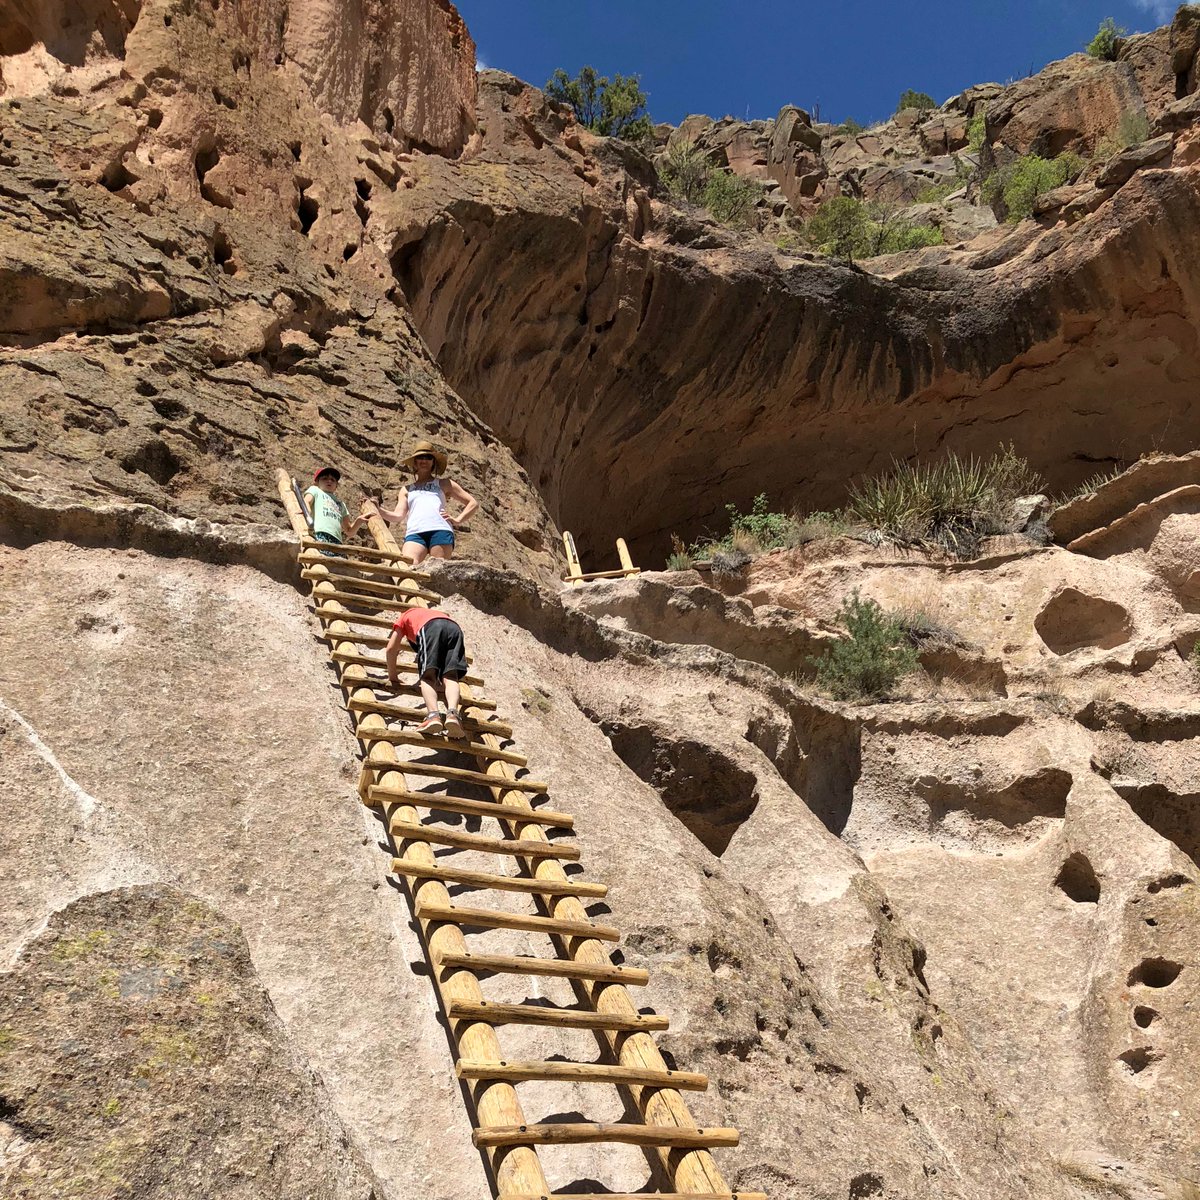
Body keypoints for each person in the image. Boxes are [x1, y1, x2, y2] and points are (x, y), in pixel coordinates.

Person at [365, 440, 478, 565]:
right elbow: (398, 516)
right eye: (420, 457)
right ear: (415, 462)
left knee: (437, 570)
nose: (424, 461)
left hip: (440, 529)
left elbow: (472, 503)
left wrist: (458, 520)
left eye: (428, 457)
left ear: (433, 462)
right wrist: (378, 509)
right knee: (407, 566)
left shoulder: (444, 483)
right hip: (415, 532)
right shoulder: (406, 489)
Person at [387, 606, 469, 738]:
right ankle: (453, 715)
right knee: (451, 677)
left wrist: (393, 677)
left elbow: (391, 649)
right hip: (454, 628)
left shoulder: (404, 617)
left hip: (431, 627)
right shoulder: (434, 613)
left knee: (427, 677)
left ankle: (433, 716)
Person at [304, 466, 366, 549]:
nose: (329, 481)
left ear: (336, 485)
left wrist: (359, 521)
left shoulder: (341, 504)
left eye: (333, 480)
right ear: (316, 482)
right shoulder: (315, 490)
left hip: (337, 540)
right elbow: (307, 502)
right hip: (319, 533)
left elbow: (349, 531)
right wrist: (306, 514)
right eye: (325, 478)